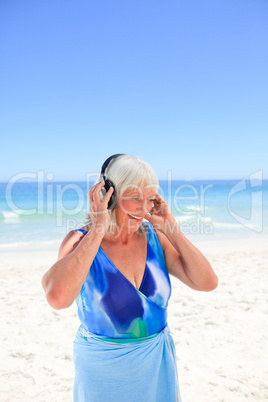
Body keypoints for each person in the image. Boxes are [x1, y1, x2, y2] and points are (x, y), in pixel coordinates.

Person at [42, 154, 218, 402]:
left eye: (149, 199)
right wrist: (98, 229)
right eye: (135, 198)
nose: (144, 209)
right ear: (109, 196)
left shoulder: (155, 239)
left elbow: (207, 282)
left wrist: (172, 228)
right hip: (105, 375)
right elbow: (57, 298)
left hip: (157, 369)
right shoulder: (80, 242)